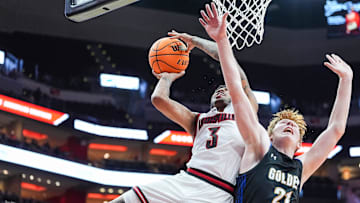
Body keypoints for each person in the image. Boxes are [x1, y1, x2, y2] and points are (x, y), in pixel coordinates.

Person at [199, 3, 353, 203]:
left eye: (295, 128)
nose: (289, 124)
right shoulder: (258, 147)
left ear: (299, 143)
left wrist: (346, 80)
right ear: (270, 135)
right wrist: (221, 40)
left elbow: (336, 129)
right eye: (283, 123)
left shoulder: (301, 168)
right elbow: (237, 92)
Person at [110, 30, 258, 203]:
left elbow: (228, 61)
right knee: (125, 199)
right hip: (187, 179)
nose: (220, 90)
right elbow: (159, 99)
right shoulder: (197, 120)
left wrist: (195, 41)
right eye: (217, 90)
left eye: (225, 89)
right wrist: (166, 77)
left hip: (218, 191)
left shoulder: (244, 111)